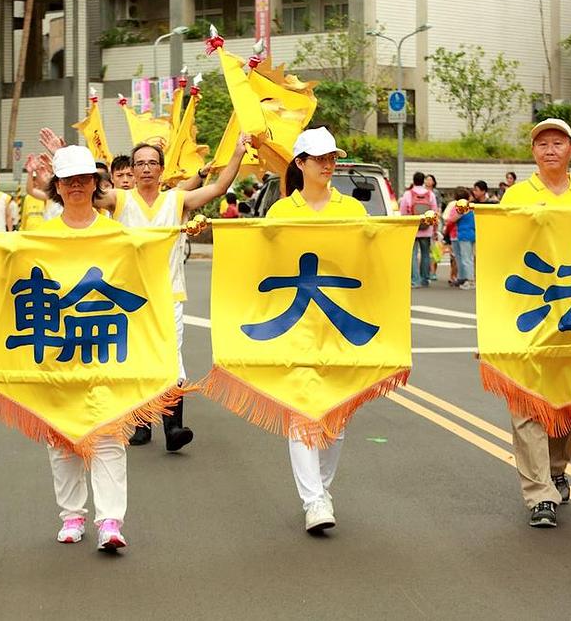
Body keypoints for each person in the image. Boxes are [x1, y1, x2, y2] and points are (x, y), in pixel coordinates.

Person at [93, 133, 251, 450]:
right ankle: (140, 423)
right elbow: (81, 197)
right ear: (131, 171)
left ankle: (173, 427)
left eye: (152, 163)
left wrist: (237, 154)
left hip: (169, 295)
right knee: (137, 359)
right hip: (131, 299)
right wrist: (61, 163)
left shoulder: (176, 200)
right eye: (140, 164)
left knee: (169, 356)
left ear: (162, 169)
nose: (146, 169)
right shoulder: (118, 200)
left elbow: (218, 189)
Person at [499, 118, 571, 529]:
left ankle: (557, 467)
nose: (550, 149)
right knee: (527, 403)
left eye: (558, 142)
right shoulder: (516, 196)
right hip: (529, 314)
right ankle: (539, 494)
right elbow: (500, 245)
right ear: (533, 152)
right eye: (542, 143)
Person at [265, 127, 367, 533]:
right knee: (302, 412)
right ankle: (313, 500)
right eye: (319, 158)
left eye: (332, 158)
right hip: (296, 325)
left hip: (340, 325)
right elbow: (262, 262)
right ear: (300, 164)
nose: (328, 164)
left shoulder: (354, 211)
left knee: (335, 417)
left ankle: (321, 489)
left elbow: (370, 261)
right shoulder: (281, 213)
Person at [39, 145, 131, 552]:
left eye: (84, 179)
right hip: (58, 349)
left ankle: (110, 520)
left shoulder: (116, 233)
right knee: (62, 438)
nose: (77, 186)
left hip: (106, 346)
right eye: (68, 180)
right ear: (57, 186)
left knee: (109, 434)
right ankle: (72, 515)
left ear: (96, 183)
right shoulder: (40, 236)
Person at [400, 172, 438, 288]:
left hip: (413, 228)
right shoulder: (430, 194)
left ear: (413, 180)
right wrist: (434, 228)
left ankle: (415, 280)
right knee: (426, 254)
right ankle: (425, 279)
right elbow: (434, 211)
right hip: (427, 228)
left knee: (413, 254)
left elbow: (403, 211)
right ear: (423, 181)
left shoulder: (408, 194)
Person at [444, 186, 475, 289]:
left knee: (466, 259)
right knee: (468, 257)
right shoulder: (471, 207)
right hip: (471, 233)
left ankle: (470, 281)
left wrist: (448, 220)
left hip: (463, 234)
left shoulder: (462, 207)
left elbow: (452, 219)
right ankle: (467, 279)